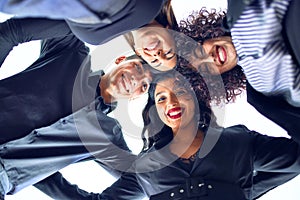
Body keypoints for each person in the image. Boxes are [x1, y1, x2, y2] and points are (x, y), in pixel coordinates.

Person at [32, 65, 300, 200]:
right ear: (155, 110)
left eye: (180, 93)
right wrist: (33, 173)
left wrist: (260, 100)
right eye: (161, 98)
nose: (170, 103)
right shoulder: (147, 167)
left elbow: (295, 159)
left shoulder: (237, 141)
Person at [0, 17, 152, 198]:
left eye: (144, 86)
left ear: (137, 97)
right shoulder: (71, 49)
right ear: (121, 59)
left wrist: (43, 178)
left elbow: (144, 181)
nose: (136, 79)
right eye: (138, 67)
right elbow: (10, 33)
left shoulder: (108, 136)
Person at [176, 4, 300, 143]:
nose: (210, 58)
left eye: (199, 52)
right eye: (205, 68)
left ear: (205, 35)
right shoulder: (260, 91)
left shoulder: (241, 19)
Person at [0, 0, 166, 45]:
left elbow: (13, 32)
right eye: (168, 54)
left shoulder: (99, 38)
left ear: (138, 52)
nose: (157, 55)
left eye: (154, 62)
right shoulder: (154, 5)